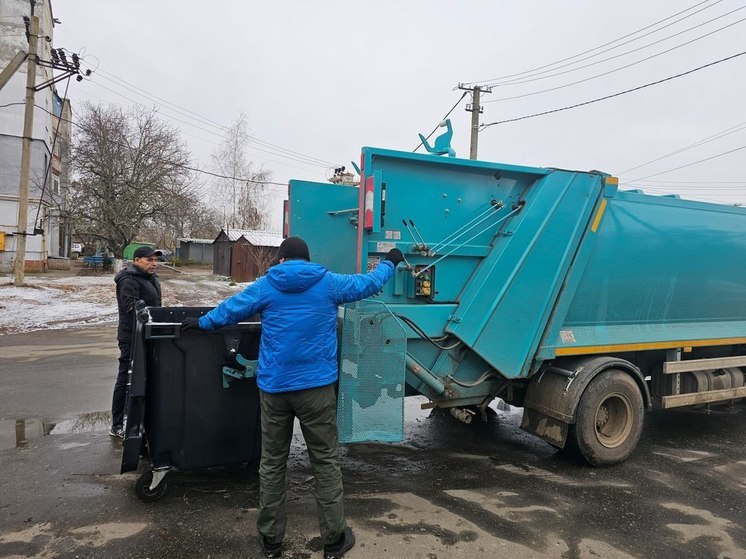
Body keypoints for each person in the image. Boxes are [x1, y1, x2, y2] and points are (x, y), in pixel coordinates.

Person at [182, 236, 404, 559]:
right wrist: (390, 263)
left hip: (275, 390)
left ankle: (271, 540)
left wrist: (201, 323)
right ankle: (334, 540)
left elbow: (231, 310)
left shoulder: (267, 285)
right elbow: (367, 284)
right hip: (317, 390)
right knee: (325, 462)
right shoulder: (328, 283)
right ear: (307, 258)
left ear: (282, 259)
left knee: (272, 464)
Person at [110, 246, 162, 438]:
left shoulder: (151, 279)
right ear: (137, 260)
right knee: (126, 377)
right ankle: (118, 424)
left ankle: (141, 419)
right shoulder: (128, 280)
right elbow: (129, 306)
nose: (154, 264)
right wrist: (141, 311)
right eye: (149, 260)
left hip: (149, 334)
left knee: (147, 377)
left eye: (155, 260)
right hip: (131, 336)